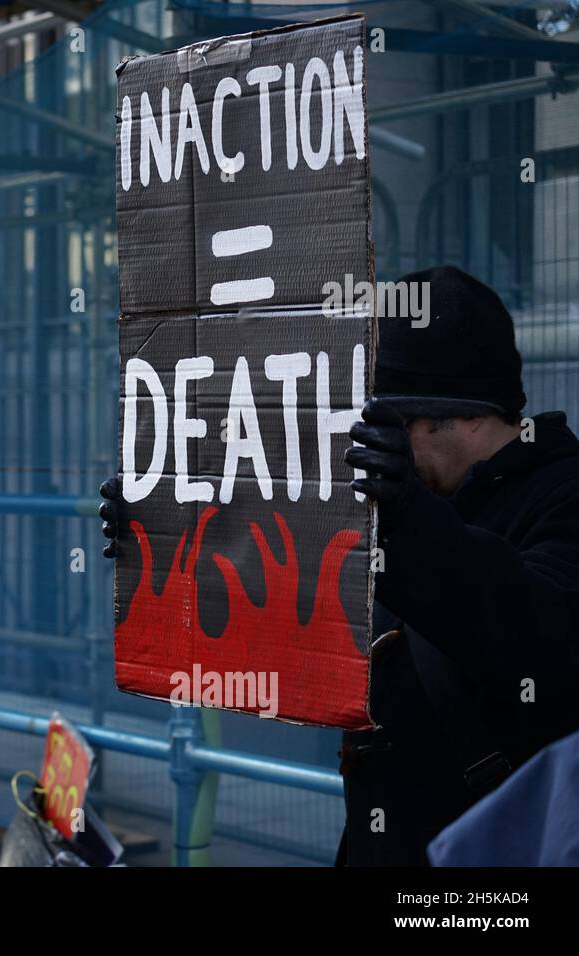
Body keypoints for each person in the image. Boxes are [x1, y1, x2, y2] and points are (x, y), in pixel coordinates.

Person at [102, 266, 579, 866]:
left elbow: (542, 643)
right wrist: (161, 540)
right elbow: (283, 615)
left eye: (389, 424)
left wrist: (409, 521)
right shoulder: (402, 498)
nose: (366, 441)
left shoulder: (560, 495)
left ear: (463, 415)